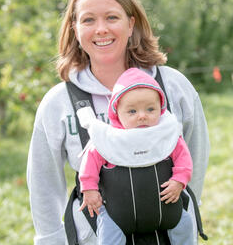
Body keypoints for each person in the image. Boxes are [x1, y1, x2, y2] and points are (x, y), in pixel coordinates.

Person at [27, 0, 209, 245]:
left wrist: (184, 215)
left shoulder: (173, 86)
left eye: (112, 17)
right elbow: (44, 183)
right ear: (75, 28)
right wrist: (51, 240)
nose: (101, 29)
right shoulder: (58, 103)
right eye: (88, 20)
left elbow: (195, 155)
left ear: (131, 23)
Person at [78, 67, 194, 245]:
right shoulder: (110, 139)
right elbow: (90, 161)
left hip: (167, 210)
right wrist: (89, 188)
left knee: (185, 225)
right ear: (117, 113)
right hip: (118, 216)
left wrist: (179, 180)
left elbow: (184, 159)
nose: (142, 116)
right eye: (132, 111)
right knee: (108, 236)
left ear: (161, 109)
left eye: (150, 109)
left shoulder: (166, 135)